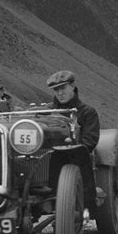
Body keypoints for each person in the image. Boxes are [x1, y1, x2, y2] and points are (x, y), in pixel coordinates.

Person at [46, 69, 102, 210]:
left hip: (76, 160)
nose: (60, 93)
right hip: (46, 160)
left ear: (72, 86)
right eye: (56, 90)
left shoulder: (87, 112)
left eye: (63, 88)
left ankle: (85, 201)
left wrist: (72, 149)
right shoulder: (46, 112)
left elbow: (90, 141)